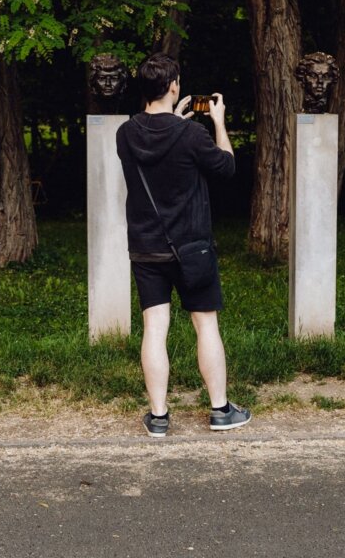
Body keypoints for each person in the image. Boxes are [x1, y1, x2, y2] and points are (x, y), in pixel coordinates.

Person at [116, 52, 251, 437]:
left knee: (154, 326)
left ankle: (158, 417)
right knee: (205, 325)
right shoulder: (192, 134)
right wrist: (219, 124)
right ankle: (221, 411)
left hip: (146, 247)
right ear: (174, 86)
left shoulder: (125, 133)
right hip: (191, 246)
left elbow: (154, 143)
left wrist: (174, 119)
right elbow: (226, 166)